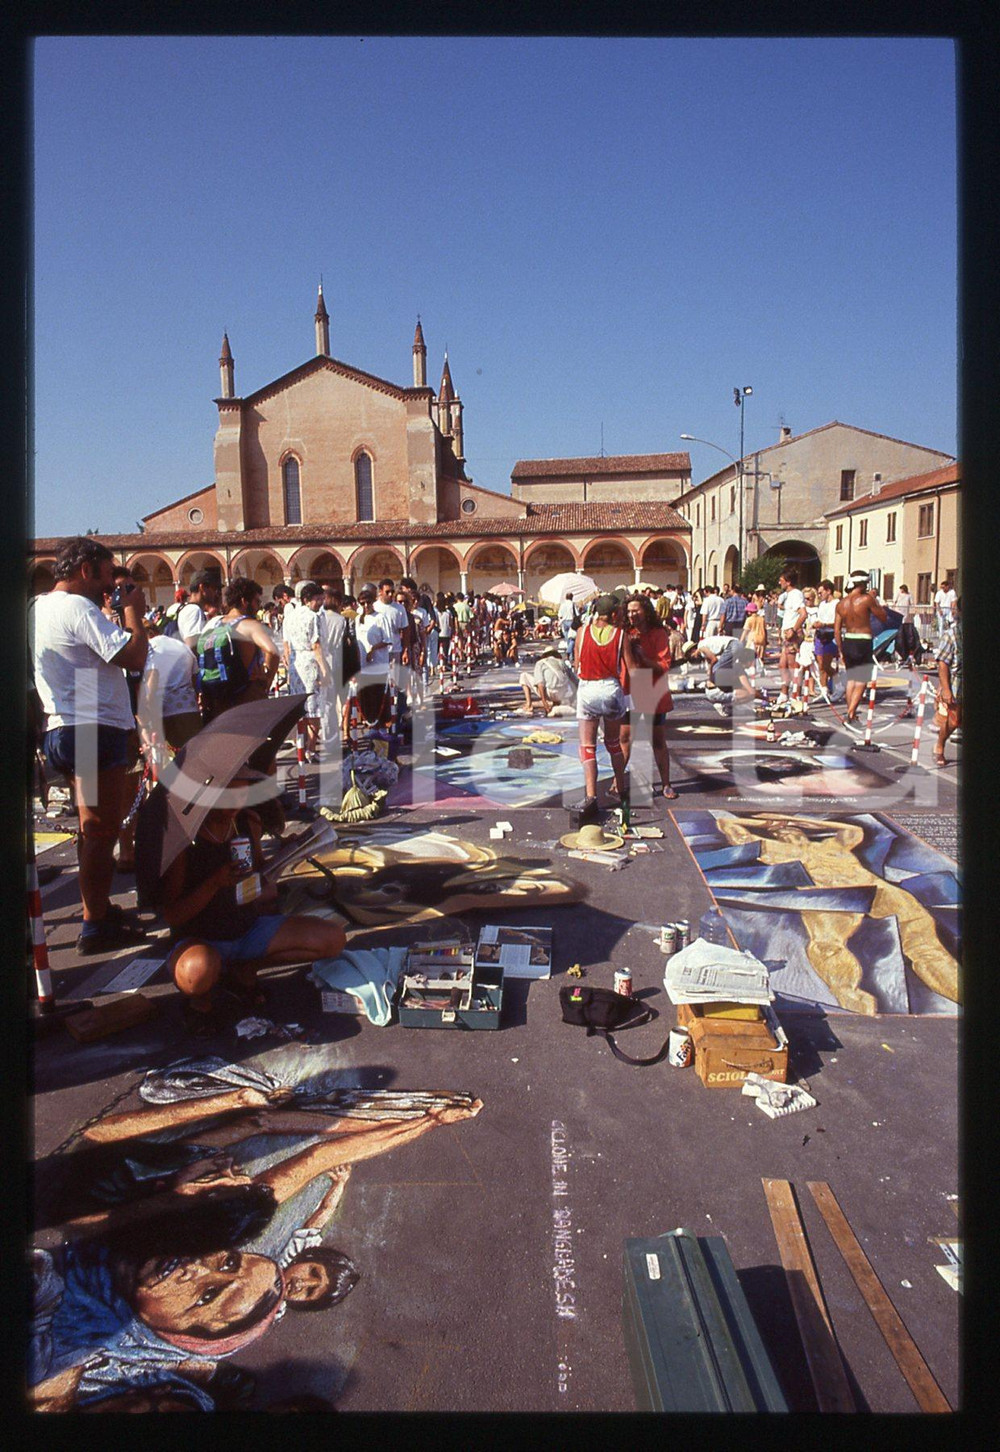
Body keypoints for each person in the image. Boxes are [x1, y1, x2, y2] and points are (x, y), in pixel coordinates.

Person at [137, 770, 347, 1035]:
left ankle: (243, 969)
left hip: (248, 927)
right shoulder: (184, 839)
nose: (235, 804)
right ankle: (201, 1003)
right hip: (200, 940)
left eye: (242, 794)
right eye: (227, 796)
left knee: (332, 939)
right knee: (198, 973)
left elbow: (258, 875)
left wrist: (287, 854)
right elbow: (173, 916)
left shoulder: (248, 822)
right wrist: (214, 883)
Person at [29, 536, 149, 954]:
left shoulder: (40, 606)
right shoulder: (77, 607)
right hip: (91, 732)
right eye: (105, 574)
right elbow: (133, 656)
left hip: (70, 727)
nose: (108, 587)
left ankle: (93, 909)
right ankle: (94, 925)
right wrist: (134, 611)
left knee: (90, 829)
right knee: (100, 831)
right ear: (85, 570)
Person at [572, 594, 639, 819]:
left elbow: (576, 662)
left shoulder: (582, 632)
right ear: (613, 615)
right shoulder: (621, 636)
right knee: (613, 744)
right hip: (611, 689)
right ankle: (620, 788)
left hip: (588, 688)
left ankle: (591, 796)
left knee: (587, 746)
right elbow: (631, 668)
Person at [195, 577, 280, 723]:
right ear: (244, 601)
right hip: (248, 697)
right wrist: (267, 679)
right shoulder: (249, 625)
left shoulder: (215, 624)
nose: (259, 606)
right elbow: (272, 652)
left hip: (220, 699)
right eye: (256, 602)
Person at [620, 594, 677, 799]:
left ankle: (666, 784)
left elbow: (664, 665)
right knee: (625, 739)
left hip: (652, 689)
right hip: (630, 689)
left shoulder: (658, 633)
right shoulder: (625, 632)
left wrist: (643, 657)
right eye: (628, 611)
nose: (632, 615)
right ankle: (617, 783)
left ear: (645, 610)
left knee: (658, 740)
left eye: (636, 610)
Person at [281, 583, 329, 761]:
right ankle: (310, 748)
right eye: (317, 599)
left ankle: (301, 744)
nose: (320, 603)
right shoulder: (312, 616)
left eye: (321, 599)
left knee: (300, 706)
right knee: (314, 707)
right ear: (307, 600)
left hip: (295, 663)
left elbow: (286, 643)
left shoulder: (290, 617)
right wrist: (325, 670)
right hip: (309, 662)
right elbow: (316, 646)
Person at [834, 569, 888, 723]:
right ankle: (850, 713)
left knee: (852, 679)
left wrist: (840, 650)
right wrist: (875, 601)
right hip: (863, 640)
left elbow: (836, 630)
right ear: (865, 583)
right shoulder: (866, 599)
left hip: (848, 640)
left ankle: (850, 713)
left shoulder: (841, 603)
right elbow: (883, 617)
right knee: (862, 679)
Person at [680, 634, 756, 712]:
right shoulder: (704, 647)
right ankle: (730, 693)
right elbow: (711, 661)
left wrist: (710, 670)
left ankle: (725, 693)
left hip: (733, 645)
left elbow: (714, 659)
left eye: (691, 655)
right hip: (736, 644)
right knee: (727, 670)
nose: (693, 657)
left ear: (692, 650)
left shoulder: (701, 648)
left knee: (716, 669)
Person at [933, 596, 962, 767]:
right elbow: (943, 663)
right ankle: (940, 746)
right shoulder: (951, 635)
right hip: (957, 684)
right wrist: (945, 689)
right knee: (954, 721)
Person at [776, 569, 807, 703]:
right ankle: (784, 693)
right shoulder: (789, 595)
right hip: (786, 633)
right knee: (783, 664)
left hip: (791, 633)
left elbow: (803, 614)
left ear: (788, 582)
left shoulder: (796, 595)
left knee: (792, 665)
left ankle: (796, 694)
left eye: (781, 580)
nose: (779, 582)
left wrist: (793, 630)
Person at [518, 649, 578, 715]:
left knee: (523, 676)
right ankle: (556, 704)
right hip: (562, 694)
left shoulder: (540, 663)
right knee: (558, 682)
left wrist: (544, 702)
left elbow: (540, 684)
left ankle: (529, 705)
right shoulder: (561, 662)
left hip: (550, 692)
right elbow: (575, 681)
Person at [178, 571, 222, 650]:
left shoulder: (189, 609)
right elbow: (192, 645)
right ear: (202, 587)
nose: (215, 593)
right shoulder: (194, 610)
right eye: (213, 588)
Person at [812, 580, 839, 699]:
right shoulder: (822, 604)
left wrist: (824, 625)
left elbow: (838, 623)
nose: (819, 595)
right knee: (820, 665)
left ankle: (839, 680)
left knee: (826, 665)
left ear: (828, 591)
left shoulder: (837, 604)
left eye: (821, 592)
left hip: (830, 635)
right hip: (820, 635)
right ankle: (824, 691)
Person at [740, 586, 768, 669]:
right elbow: (765, 630)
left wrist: (741, 641)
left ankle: (752, 671)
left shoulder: (749, 619)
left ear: (749, 611)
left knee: (751, 658)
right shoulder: (762, 619)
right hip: (761, 638)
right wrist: (766, 640)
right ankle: (761, 669)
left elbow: (745, 631)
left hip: (752, 639)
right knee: (760, 657)